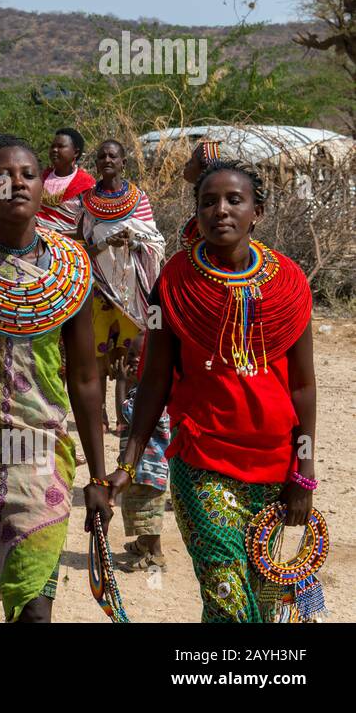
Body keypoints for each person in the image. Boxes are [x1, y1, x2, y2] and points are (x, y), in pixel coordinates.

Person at [109, 160, 318, 623]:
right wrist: (128, 461)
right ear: (196, 213)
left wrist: (303, 472)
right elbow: (155, 381)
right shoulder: (174, 284)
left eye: (233, 200)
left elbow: (303, 385)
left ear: (257, 212)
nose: (219, 210)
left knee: (268, 606)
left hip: (274, 467)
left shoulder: (289, 285)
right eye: (207, 201)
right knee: (228, 600)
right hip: (203, 463)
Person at [0, 134, 109, 623]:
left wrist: (98, 475)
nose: (17, 184)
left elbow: (87, 379)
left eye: (28, 174)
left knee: (34, 607)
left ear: (41, 186)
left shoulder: (70, 268)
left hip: (41, 452)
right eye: (2, 177)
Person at [78, 139, 165, 429]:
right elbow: (82, 247)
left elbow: (155, 241)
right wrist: (105, 244)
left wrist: (134, 240)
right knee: (98, 353)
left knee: (130, 352)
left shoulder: (139, 199)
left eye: (112, 156)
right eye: (101, 156)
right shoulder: (86, 201)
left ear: (123, 162)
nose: (106, 160)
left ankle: (125, 415)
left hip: (132, 290)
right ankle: (99, 415)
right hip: (100, 286)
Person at [115, 349, 170, 574]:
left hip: (149, 467)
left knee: (148, 512)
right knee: (140, 509)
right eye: (130, 359)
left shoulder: (149, 394)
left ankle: (155, 555)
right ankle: (142, 544)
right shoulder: (141, 391)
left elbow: (123, 414)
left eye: (140, 357)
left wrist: (120, 382)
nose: (134, 362)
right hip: (143, 467)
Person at [36, 127, 95, 234]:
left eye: (60, 146)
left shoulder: (86, 184)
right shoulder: (41, 177)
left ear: (75, 153)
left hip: (66, 245)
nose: (54, 150)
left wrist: (57, 234)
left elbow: (88, 228)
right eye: (53, 146)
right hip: (34, 242)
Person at [178, 138, 221, 246]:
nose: (187, 163)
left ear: (205, 169)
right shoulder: (203, 207)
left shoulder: (214, 213)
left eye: (192, 160)